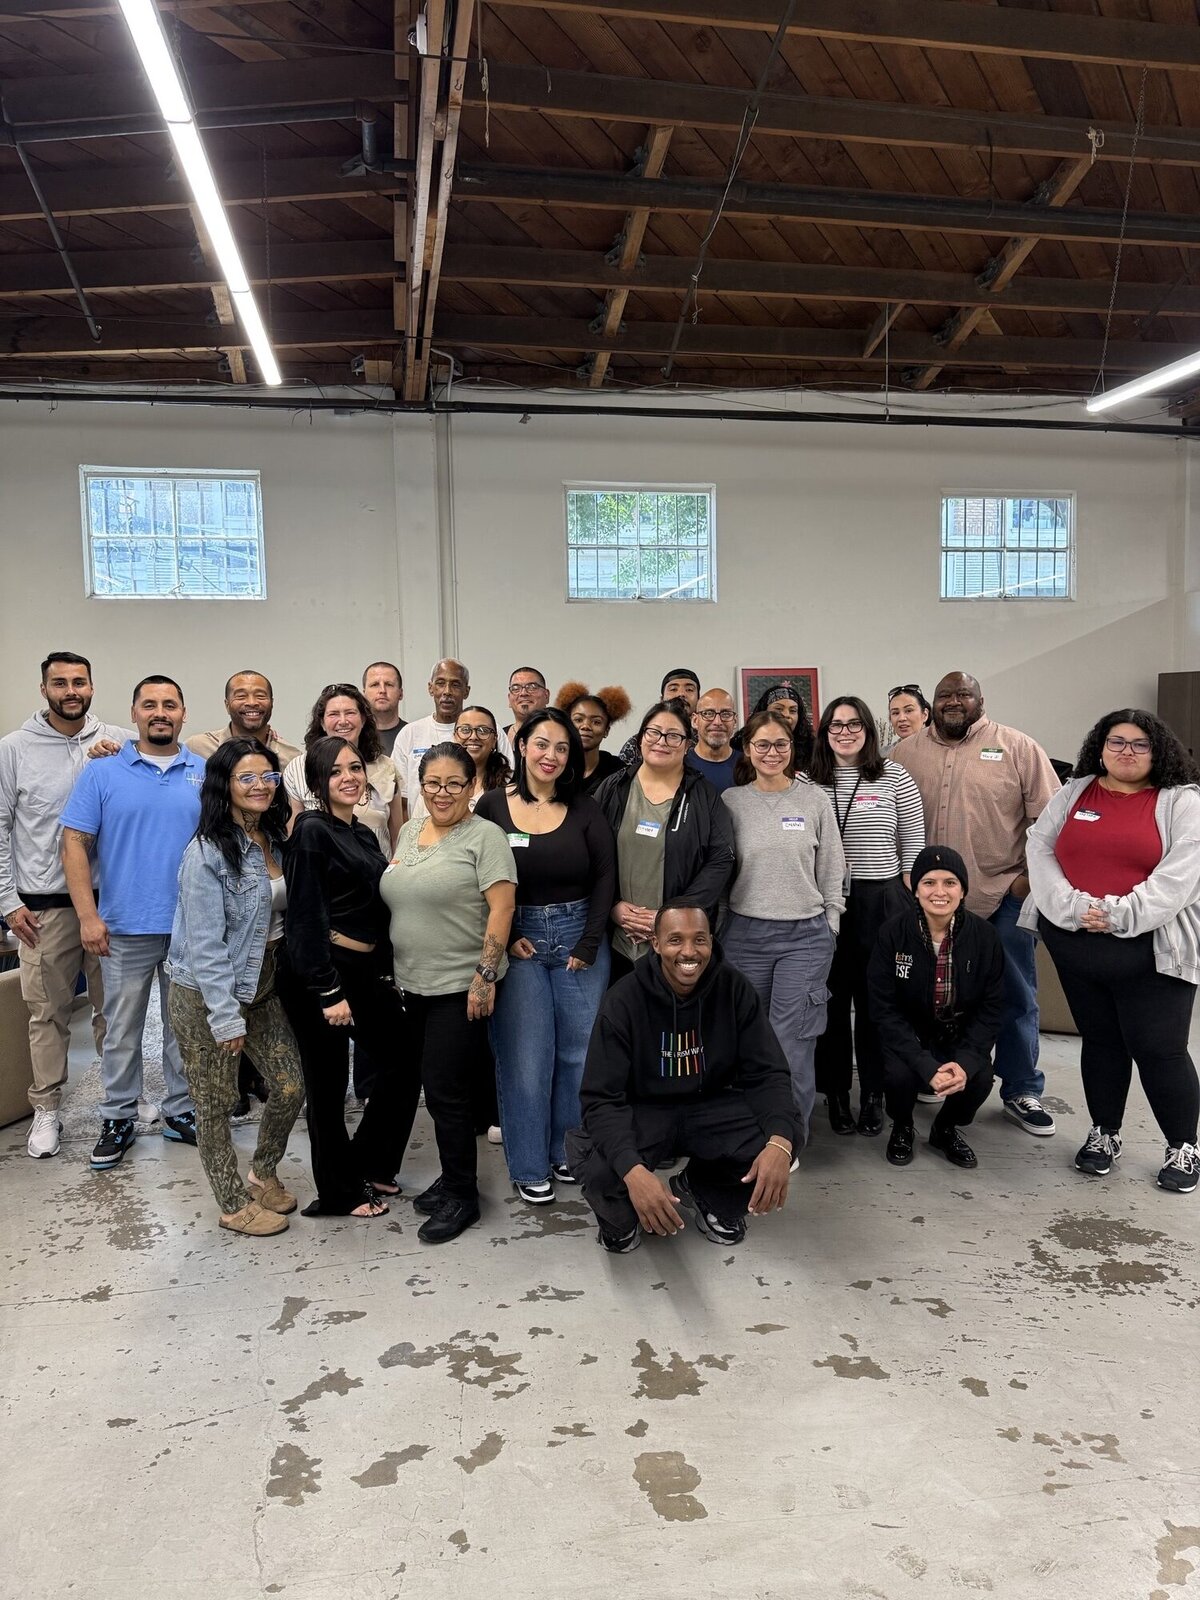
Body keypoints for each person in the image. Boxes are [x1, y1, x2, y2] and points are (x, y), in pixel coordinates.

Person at [1021, 710, 1200, 1195]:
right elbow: (1040, 848)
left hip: (1152, 948)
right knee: (1100, 1044)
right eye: (1116, 742)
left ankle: (1183, 1144)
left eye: (1139, 744)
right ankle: (1104, 1133)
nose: (1126, 751)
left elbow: (1181, 876)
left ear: (1158, 750)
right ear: (1099, 747)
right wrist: (1074, 909)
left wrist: (1121, 914)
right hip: (1077, 945)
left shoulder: (1181, 802)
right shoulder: (1075, 791)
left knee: (1159, 1050)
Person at [567, 904, 794, 1253]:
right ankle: (620, 1222)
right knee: (600, 1167)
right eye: (675, 940)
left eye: (698, 940)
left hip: (710, 1106)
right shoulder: (623, 1000)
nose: (688, 951)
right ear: (655, 944)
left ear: (711, 942)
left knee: (783, 1133)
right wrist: (633, 1171)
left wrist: (780, 1142)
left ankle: (706, 1192)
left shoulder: (734, 989)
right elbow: (600, 1099)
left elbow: (767, 1073)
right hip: (645, 1111)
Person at [891, 671, 1060, 1137]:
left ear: (980, 700)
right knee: (927, 993)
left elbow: (1050, 822)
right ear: (932, 703)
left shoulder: (1018, 748)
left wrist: (1025, 882)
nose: (954, 701)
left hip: (996, 895)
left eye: (963, 693)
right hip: (923, 903)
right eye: (945, 694)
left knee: (1014, 994)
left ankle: (1022, 1089)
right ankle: (935, 1071)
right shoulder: (904, 753)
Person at [60, 675, 204, 1169]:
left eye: (170, 704)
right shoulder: (102, 772)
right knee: (121, 1029)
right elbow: (74, 843)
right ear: (134, 713)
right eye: (150, 705)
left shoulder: (204, 773)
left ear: (183, 713)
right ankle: (118, 1115)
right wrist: (87, 916)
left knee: (183, 1027)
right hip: (122, 927)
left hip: (191, 929)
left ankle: (180, 1111)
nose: (160, 712)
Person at [476, 708, 616, 1204]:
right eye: (541, 744)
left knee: (577, 1057)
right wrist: (509, 932)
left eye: (561, 747)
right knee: (525, 1058)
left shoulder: (585, 807)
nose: (551, 755)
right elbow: (480, 879)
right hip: (523, 943)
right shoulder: (491, 807)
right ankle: (529, 1163)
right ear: (521, 746)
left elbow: (605, 876)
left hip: (580, 938)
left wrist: (590, 941)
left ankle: (565, 1151)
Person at [381, 742, 517, 1243]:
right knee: (435, 1091)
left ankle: (463, 1195)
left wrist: (484, 975)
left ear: (472, 786)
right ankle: (453, 1177)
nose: (442, 792)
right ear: (422, 786)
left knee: (447, 1093)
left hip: (459, 986)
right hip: (412, 984)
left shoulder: (486, 837)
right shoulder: (412, 830)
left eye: (453, 783)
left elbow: (501, 909)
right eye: (433, 783)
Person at [167, 741, 304, 1235]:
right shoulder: (206, 853)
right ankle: (231, 1203)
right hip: (206, 994)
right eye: (247, 778)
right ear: (224, 786)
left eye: (268, 777)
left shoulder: (274, 838)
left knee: (290, 1086)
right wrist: (225, 1018)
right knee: (214, 1102)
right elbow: (205, 946)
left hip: (262, 985)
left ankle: (261, 1172)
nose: (260, 786)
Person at [277, 736, 417, 1219]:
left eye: (355, 768)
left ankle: (371, 1163)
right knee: (327, 1084)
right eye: (336, 771)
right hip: (324, 976)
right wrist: (327, 991)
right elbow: (304, 919)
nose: (349, 777)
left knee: (403, 1060)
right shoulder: (311, 832)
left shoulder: (359, 831)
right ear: (318, 781)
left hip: (366, 970)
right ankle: (338, 1191)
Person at [0, 652, 129, 1158]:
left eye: (79, 682)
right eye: (60, 683)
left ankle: (122, 1096)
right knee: (48, 1013)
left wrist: (115, 765)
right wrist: (8, 901)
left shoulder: (118, 740)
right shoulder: (13, 749)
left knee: (115, 1010)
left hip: (111, 902)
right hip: (44, 907)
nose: (70, 690)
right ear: (43, 689)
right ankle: (47, 1109)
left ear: (93, 686)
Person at [721, 708, 845, 1149]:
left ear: (793, 749)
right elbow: (721, 869)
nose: (772, 752)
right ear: (747, 750)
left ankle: (786, 1138)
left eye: (781, 744)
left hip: (805, 938)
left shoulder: (814, 800)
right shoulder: (731, 802)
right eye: (762, 744)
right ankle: (747, 1134)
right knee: (747, 1041)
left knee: (793, 1043)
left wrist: (830, 922)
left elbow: (833, 868)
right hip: (744, 937)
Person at [810, 696, 925, 1136]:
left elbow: (913, 848)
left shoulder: (895, 778)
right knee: (832, 1003)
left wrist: (913, 911)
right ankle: (837, 1094)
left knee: (878, 1004)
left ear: (868, 730)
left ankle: (874, 1093)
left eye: (854, 724)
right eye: (836, 725)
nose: (845, 731)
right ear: (824, 732)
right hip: (824, 903)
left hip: (883, 902)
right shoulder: (807, 782)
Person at [868, 846, 1005, 1170]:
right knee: (899, 1075)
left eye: (950, 883)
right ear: (915, 889)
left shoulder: (985, 937)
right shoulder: (893, 933)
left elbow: (992, 1007)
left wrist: (968, 1061)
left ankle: (945, 1129)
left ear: (963, 890)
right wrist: (923, 1063)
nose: (939, 892)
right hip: (910, 1034)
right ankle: (903, 1126)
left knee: (980, 1078)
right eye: (929, 882)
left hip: (957, 1033)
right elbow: (883, 1007)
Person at [593, 700, 736, 983]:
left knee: (674, 1023)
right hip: (617, 937)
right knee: (623, 1020)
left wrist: (671, 916)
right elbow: (590, 853)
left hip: (679, 940)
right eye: (653, 732)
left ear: (687, 744)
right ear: (641, 738)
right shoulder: (614, 787)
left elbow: (721, 859)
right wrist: (613, 907)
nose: (662, 742)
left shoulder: (703, 796)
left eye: (673, 735)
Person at [283, 684, 401, 854]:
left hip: (378, 872)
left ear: (363, 719)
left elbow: (397, 836)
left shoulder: (387, 766)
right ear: (322, 723)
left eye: (350, 713)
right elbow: (294, 838)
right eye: (333, 714)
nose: (343, 721)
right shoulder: (298, 768)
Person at [393, 659, 514, 817]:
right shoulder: (410, 733)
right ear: (431, 688)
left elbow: (509, 787)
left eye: (455, 684)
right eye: (441, 683)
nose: (447, 691)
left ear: (466, 691)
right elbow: (401, 800)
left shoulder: (492, 729)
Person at [409, 704, 510, 822]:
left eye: (483, 731)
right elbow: (416, 828)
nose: (473, 737)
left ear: (494, 740)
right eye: (465, 730)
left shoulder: (509, 782)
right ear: (454, 736)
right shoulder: (434, 784)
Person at [185, 670, 300, 764]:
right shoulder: (196, 748)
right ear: (227, 705)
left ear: (272, 703)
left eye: (260, 696)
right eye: (241, 696)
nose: (252, 702)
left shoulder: (292, 757)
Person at [557, 682, 630, 794]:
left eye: (596, 722)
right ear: (567, 725)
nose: (586, 726)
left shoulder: (618, 771)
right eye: (578, 720)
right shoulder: (554, 765)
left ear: (606, 731)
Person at [617, 669, 700, 767]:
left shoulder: (705, 741)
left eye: (689, 690)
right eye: (673, 689)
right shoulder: (639, 741)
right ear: (661, 699)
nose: (681, 694)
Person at [687, 688, 739, 793]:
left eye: (726, 714)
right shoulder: (680, 766)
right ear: (695, 721)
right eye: (708, 713)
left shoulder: (748, 766)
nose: (717, 722)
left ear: (735, 721)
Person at [362, 661, 406, 757]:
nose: (382, 690)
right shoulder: (355, 736)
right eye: (375, 684)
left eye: (389, 684)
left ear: (401, 693)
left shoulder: (412, 734)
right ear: (364, 694)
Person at [502, 666, 550, 744]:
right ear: (509, 699)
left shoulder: (562, 733)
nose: (523, 693)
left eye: (532, 687)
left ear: (546, 695)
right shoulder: (499, 738)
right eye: (516, 688)